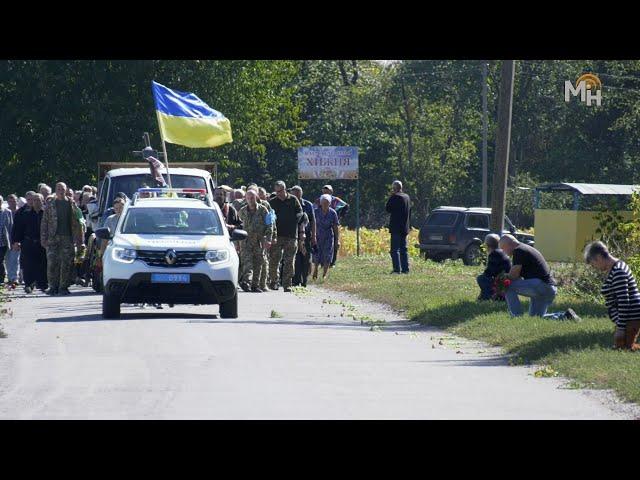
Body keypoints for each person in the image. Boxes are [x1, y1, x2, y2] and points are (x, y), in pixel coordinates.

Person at [499, 234, 579, 320]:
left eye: (503, 248)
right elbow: (518, 276)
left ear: (510, 244)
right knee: (536, 318)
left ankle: (516, 317)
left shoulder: (518, 250)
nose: (504, 252)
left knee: (507, 286)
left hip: (541, 286)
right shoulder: (525, 248)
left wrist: (502, 278)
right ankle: (565, 316)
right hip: (548, 289)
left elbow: (513, 276)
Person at [584, 241, 640, 350]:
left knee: (625, 349)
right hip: (627, 318)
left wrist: (620, 328)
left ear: (599, 257)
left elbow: (624, 301)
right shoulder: (615, 268)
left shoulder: (618, 271)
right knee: (620, 347)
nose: (594, 267)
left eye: (593, 263)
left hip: (631, 316)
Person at [41, 182, 84, 296]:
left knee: (66, 263)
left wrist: (79, 239)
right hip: (53, 237)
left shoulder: (72, 204)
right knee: (52, 263)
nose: (60, 191)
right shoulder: (50, 204)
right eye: (58, 189)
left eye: (62, 189)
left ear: (66, 190)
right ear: (55, 190)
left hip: (67, 237)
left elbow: (79, 221)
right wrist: (43, 238)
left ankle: (63, 287)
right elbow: (44, 222)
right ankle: (52, 287)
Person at [268, 181, 303, 292]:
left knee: (289, 261)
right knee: (274, 260)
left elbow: (300, 213)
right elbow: (269, 218)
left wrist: (295, 220)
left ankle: (287, 284)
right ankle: (274, 282)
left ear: (285, 189)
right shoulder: (272, 202)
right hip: (277, 236)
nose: (278, 193)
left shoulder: (293, 200)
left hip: (291, 235)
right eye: (276, 191)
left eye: (280, 191)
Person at [238, 190, 273, 292]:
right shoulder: (242, 211)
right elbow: (238, 226)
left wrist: (268, 239)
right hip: (246, 241)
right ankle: (247, 282)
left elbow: (269, 225)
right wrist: (237, 243)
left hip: (259, 241)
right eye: (248, 198)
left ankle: (255, 285)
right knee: (247, 263)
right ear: (246, 199)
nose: (250, 200)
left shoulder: (263, 210)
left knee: (258, 263)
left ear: (256, 197)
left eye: (252, 198)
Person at [12, 193, 47, 293]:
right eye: (34, 200)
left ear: (42, 201)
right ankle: (28, 284)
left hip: (42, 242)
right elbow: (18, 229)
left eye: (38, 200)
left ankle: (43, 284)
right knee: (28, 265)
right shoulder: (25, 213)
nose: (36, 202)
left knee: (43, 263)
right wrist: (16, 241)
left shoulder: (46, 213)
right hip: (28, 242)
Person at [315, 185, 349, 267]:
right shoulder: (319, 200)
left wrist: (340, 215)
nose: (325, 192)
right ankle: (322, 261)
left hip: (333, 223)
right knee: (320, 243)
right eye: (324, 190)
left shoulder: (336, 200)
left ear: (331, 191)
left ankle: (332, 262)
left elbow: (346, 206)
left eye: (327, 190)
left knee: (335, 242)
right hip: (321, 225)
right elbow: (314, 209)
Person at [290, 186, 316, 288]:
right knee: (296, 258)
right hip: (293, 235)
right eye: (294, 194)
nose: (295, 196)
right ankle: (296, 280)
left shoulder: (308, 205)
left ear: (301, 194)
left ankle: (304, 280)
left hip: (306, 235)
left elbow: (313, 221)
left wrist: (314, 235)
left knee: (306, 258)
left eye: (297, 193)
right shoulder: (290, 203)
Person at [385, 180, 411, 274]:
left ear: (394, 188)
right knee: (404, 249)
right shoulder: (407, 197)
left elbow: (387, 208)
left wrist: (391, 196)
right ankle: (405, 269)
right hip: (404, 227)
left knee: (394, 250)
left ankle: (397, 269)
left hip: (396, 227)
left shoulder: (395, 197)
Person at [312, 194, 340, 282]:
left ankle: (324, 274)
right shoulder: (316, 212)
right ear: (320, 203)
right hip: (318, 235)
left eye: (327, 203)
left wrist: (337, 240)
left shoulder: (332, 213)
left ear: (329, 203)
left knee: (327, 255)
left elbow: (335, 227)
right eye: (323, 202)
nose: (324, 204)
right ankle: (315, 269)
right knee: (316, 254)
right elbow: (312, 223)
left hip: (328, 236)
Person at [476, 233, 511, 300]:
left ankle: (488, 297)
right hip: (506, 278)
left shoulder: (494, 254)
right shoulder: (501, 251)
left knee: (481, 278)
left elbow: (489, 272)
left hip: (503, 281)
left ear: (487, 245)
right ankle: (483, 297)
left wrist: (484, 274)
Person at [0, 196, 13, 284]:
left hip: (3, 241)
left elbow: (11, 227)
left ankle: (1, 278)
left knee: (0, 259)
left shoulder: (7, 212)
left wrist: (12, 240)